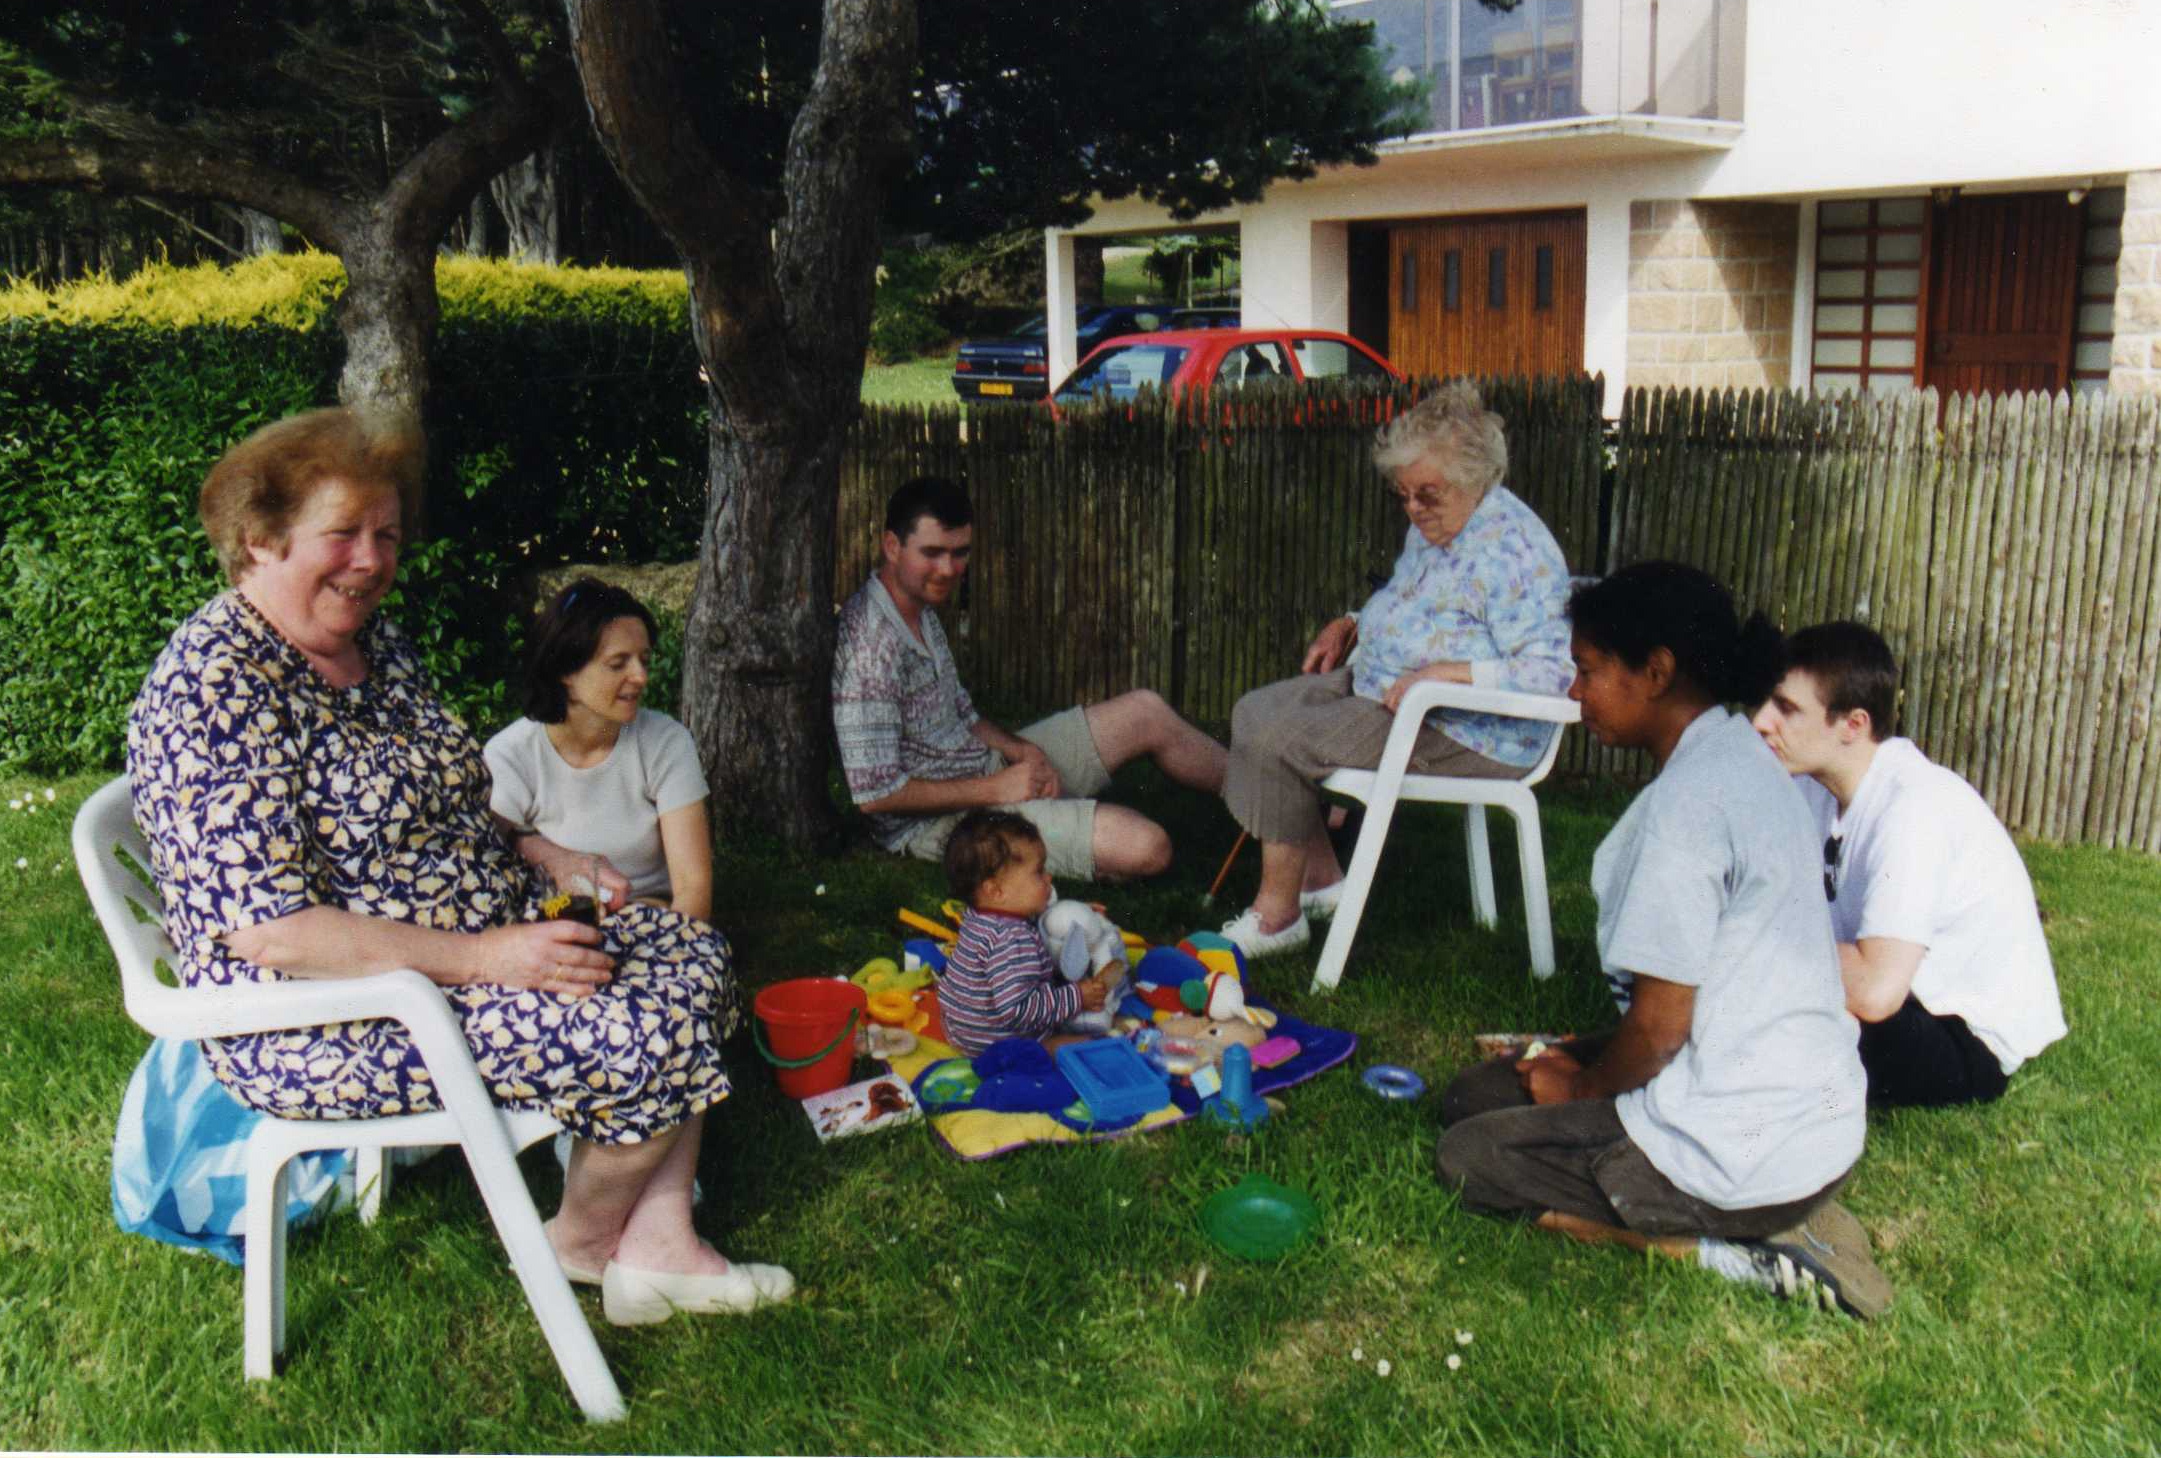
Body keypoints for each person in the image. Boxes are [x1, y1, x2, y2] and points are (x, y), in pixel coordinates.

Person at [126, 407, 790, 1328]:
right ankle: (578, 1244)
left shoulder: (372, 646)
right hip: (331, 1012)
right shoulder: (214, 690)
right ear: (258, 540)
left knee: (691, 953)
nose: (371, 561)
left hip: (465, 943)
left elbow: (446, 803)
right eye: (343, 534)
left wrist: (541, 850)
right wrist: (492, 958)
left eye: (387, 535)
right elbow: (273, 932)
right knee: (640, 1035)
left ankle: (659, 1241)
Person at [1434, 562, 1890, 1318]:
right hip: (1810, 1124)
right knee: (1475, 1093)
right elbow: (1702, 990)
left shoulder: (1690, 807)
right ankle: (1789, 1209)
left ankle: (1740, 1250)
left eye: (1587, 670)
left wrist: (1579, 1088)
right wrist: (1577, 1053)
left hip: (1739, 1150)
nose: (1573, 692)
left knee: (1470, 1156)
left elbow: (1659, 1030)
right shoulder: (1743, 760)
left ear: (1655, 672)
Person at [1215, 381, 1572, 958]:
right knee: (1255, 712)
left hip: (1468, 728)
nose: (1412, 509)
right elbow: (1414, 604)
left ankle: (1278, 918)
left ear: (1476, 477)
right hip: (1389, 690)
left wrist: (1450, 675)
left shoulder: (1517, 554)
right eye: (1403, 494)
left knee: (1280, 738)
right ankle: (1322, 881)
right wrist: (1352, 622)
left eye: (1427, 494)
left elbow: (1552, 673)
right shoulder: (1438, 524)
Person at [831, 475, 1228, 881]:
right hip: (940, 824)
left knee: (1146, 711)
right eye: (932, 553)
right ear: (892, 546)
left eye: (960, 552)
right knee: (1148, 846)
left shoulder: (919, 607)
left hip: (988, 771)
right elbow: (876, 795)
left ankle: (1262, 798)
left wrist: (1023, 751)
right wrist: (998, 789)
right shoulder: (870, 646)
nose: (948, 569)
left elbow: (963, 714)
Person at [1751, 621, 2066, 1107]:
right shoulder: (1812, 786)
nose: (1761, 721)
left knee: (1765, 1015)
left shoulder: (1913, 806)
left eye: (1787, 709)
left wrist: (1755, 944)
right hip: (1898, 1002)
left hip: (1963, 1037)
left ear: (1853, 725)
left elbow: (1875, 992)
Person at [486, 579, 713, 921]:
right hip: (550, 925)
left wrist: (671, 938)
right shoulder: (511, 755)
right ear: (566, 672)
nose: (640, 676)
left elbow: (693, 890)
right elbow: (487, 860)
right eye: (618, 663)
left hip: (652, 918)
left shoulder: (665, 743)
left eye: (644, 660)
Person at [936, 810, 1114, 1056]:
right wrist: (1077, 997)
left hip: (960, 1029)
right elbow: (1018, 1010)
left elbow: (1040, 919)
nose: (1048, 877)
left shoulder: (979, 916)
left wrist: (1077, 914)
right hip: (998, 1042)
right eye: (1038, 872)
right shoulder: (1013, 941)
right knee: (1086, 1045)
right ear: (997, 891)